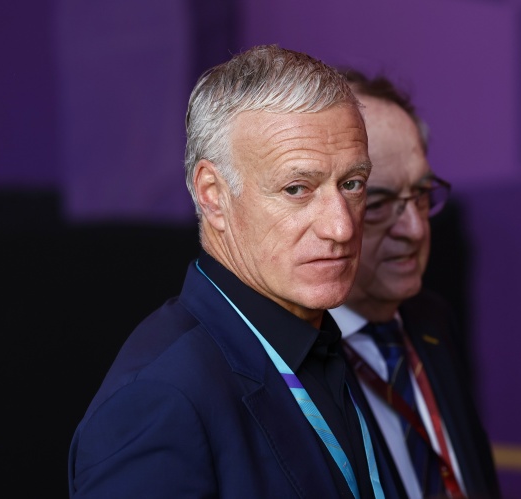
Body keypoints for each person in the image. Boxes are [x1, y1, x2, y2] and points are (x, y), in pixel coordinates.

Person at [67, 45, 403, 498]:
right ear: (212, 195)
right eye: (297, 189)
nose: (341, 227)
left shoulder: (317, 341)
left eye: (352, 184)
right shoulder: (158, 401)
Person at [329, 69, 502, 499]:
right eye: (379, 203)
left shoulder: (433, 321)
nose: (415, 229)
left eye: (422, 194)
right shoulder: (290, 359)